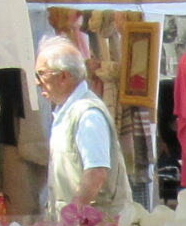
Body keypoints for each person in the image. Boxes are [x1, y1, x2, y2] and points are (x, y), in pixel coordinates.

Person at [31, 35, 128, 211]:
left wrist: (72, 217)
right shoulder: (68, 111)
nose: (37, 82)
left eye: (41, 74)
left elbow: (97, 173)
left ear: (63, 76)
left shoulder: (87, 115)